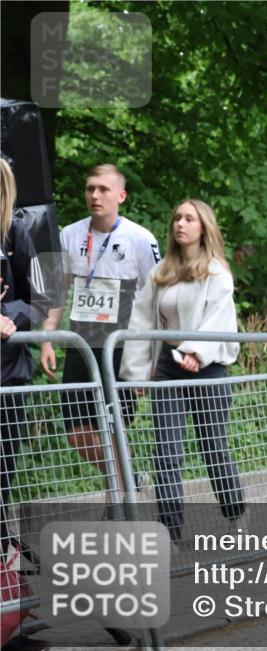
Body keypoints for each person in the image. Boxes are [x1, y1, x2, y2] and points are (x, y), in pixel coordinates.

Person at [121, 199, 247, 547]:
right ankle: (172, 533)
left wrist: (196, 351)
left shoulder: (217, 272)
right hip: (168, 368)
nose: (181, 223)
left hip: (208, 369)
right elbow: (142, 320)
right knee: (166, 451)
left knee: (213, 446)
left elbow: (219, 319)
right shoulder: (161, 271)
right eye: (177, 217)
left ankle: (236, 514)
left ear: (203, 227)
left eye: (189, 218)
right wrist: (135, 374)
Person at [38, 164, 160, 502]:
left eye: (104, 189)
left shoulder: (140, 239)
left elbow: (157, 301)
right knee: (78, 435)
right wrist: (47, 338)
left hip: (122, 349)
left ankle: (119, 502)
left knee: (112, 428)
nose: (95, 195)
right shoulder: (69, 235)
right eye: (90, 188)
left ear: (120, 196)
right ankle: (127, 479)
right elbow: (55, 294)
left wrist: (151, 357)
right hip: (80, 346)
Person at [1, 159, 52, 651]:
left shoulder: (16, 232)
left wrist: (12, 317)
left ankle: (9, 621)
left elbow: (40, 299)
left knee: (0, 493)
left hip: (7, 385)